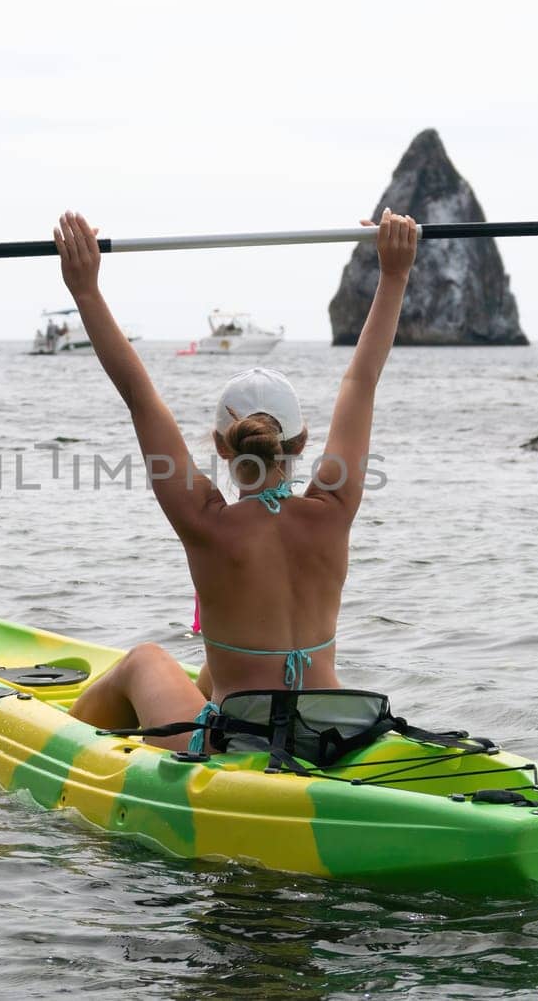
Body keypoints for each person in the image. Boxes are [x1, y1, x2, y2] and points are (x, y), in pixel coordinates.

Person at [57, 208, 418, 750]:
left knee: (146, 660)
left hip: (239, 741)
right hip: (334, 731)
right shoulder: (334, 505)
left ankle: (55, 741)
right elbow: (361, 380)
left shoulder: (205, 521)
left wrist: (84, 289)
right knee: (206, 673)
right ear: (299, 445)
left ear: (221, 446)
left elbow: (138, 391)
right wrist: (394, 275)